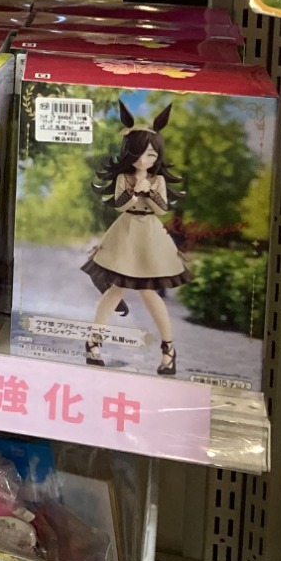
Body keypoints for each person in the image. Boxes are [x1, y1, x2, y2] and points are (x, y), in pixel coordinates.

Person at [83, 103, 188, 376]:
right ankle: (93, 342)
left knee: (149, 292)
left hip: (150, 235)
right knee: (116, 289)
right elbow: (119, 204)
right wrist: (135, 191)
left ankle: (168, 350)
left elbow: (162, 209)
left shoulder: (158, 180)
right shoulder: (124, 177)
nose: (144, 160)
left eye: (151, 154)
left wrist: (148, 191)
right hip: (126, 231)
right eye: (139, 154)